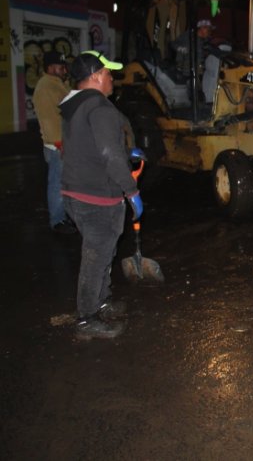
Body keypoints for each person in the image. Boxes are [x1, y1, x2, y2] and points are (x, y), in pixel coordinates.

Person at [60, 51, 145, 340]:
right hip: (96, 196)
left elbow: (93, 146)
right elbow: (108, 154)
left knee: (104, 252)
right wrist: (131, 191)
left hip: (77, 192)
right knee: (96, 258)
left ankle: (101, 301)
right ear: (96, 75)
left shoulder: (75, 105)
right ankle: (86, 319)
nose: (112, 78)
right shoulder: (100, 107)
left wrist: (125, 153)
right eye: (109, 73)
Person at [32, 51, 76, 234]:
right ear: (50, 67)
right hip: (57, 144)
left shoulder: (56, 84)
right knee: (57, 183)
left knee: (63, 183)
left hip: (63, 143)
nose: (63, 69)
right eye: (60, 66)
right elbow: (49, 118)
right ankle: (57, 220)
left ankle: (63, 216)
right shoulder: (46, 87)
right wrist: (59, 142)